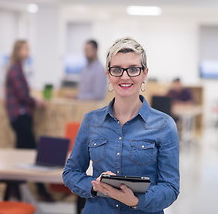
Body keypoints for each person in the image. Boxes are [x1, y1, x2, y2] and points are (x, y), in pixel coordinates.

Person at [63, 37, 180, 213]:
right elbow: (71, 172)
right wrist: (95, 186)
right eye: (117, 70)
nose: (125, 77)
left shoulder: (164, 125)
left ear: (144, 74)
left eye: (133, 69)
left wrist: (135, 201)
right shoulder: (91, 121)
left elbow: (170, 188)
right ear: (108, 74)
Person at [5, 40, 53, 201]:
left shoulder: (18, 69)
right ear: (18, 50)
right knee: (32, 153)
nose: (28, 51)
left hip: (21, 116)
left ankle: (13, 191)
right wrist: (36, 102)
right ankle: (40, 190)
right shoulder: (15, 70)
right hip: (20, 116)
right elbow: (22, 96)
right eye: (25, 48)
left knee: (21, 154)